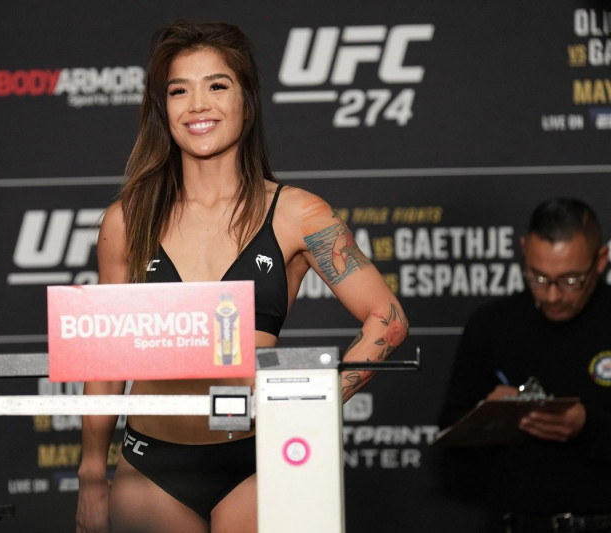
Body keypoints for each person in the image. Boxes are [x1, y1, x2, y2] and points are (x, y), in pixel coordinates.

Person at [76, 20, 408, 533]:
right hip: (150, 468)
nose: (197, 104)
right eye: (179, 90)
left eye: (217, 85)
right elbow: (105, 359)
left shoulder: (298, 214)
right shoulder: (128, 220)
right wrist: (91, 475)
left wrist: (313, 402)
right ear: (163, 109)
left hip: (258, 462)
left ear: (246, 101)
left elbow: (387, 319)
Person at [438, 197, 611, 532]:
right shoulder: (491, 325)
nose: (552, 296)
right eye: (539, 277)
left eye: (571, 279)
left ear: (601, 260)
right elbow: (449, 435)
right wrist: (487, 415)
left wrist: (587, 427)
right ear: (523, 251)